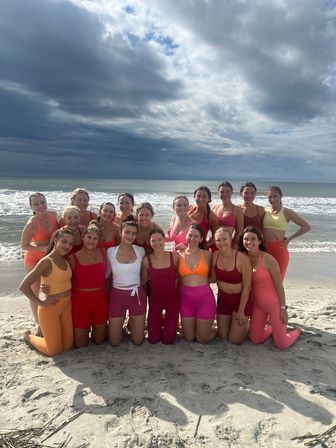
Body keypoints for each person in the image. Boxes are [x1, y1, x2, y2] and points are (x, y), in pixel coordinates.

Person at [238, 226, 301, 349]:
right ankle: (272, 327)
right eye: (246, 239)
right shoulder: (242, 258)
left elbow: (279, 286)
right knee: (255, 340)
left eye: (253, 239)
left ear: (259, 241)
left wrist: (283, 308)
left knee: (282, 345)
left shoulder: (268, 259)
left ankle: (297, 331)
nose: (249, 242)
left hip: (274, 305)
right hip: (258, 306)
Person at [19, 229, 74, 356]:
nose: (67, 246)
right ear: (55, 240)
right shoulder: (45, 262)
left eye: (70, 244)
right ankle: (28, 336)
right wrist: (41, 303)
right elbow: (24, 286)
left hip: (66, 306)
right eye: (64, 241)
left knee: (68, 346)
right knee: (53, 351)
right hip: (50, 310)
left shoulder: (65, 260)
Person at [21, 193, 59, 334]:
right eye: (36, 204)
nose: (41, 206)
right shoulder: (32, 223)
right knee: (35, 290)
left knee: (51, 287)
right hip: (34, 259)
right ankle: (37, 322)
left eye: (42, 202)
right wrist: (42, 248)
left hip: (51, 257)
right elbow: (23, 245)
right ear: (31, 207)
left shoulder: (53, 214)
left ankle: (52, 314)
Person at [68, 223, 108, 348]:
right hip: (80, 303)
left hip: (100, 301)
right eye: (89, 237)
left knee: (98, 341)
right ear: (83, 237)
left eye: (95, 238)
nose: (92, 241)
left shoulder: (104, 253)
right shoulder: (72, 258)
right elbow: (63, 279)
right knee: (81, 344)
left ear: (99, 240)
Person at [107, 221, 146, 346]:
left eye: (134, 233)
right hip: (117, 296)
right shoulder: (110, 251)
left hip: (137, 296)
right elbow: (106, 274)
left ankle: (131, 322)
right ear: (120, 232)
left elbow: (147, 272)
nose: (130, 236)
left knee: (138, 341)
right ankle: (122, 324)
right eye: (127, 232)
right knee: (114, 342)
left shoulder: (140, 251)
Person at [211, 227, 252, 344]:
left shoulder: (242, 258)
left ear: (231, 240)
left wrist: (241, 311)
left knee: (233, 340)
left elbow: (247, 287)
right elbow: (212, 279)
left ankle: (248, 324)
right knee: (223, 336)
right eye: (218, 240)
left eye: (224, 239)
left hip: (240, 301)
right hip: (223, 299)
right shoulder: (215, 256)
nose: (221, 243)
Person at [178, 224, 217, 343]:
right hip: (186, 301)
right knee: (189, 338)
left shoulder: (208, 254)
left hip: (205, 300)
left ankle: (216, 330)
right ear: (186, 236)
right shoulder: (178, 255)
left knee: (202, 339)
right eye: (190, 235)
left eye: (196, 236)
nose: (192, 238)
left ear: (201, 239)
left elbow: (213, 279)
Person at [263, 186, 311, 279]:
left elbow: (306, 227)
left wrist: (289, 239)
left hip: (279, 249)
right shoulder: (265, 211)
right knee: (266, 282)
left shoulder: (287, 212)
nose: (272, 199)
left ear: (281, 196)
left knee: (277, 283)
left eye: (275, 196)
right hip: (264, 250)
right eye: (269, 197)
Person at [142, 229, 180, 344]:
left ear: (164, 240)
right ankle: (162, 320)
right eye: (153, 240)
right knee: (153, 339)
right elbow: (144, 281)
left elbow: (180, 277)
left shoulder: (175, 256)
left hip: (172, 301)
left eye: (159, 239)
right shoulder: (146, 261)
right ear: (150, 242)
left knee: (168, 340)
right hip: (155, 301)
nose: (157, 243)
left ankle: (168, 320)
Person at [212, 181, 244, 246]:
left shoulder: (237, 210)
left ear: (232, 192)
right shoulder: (214, 208)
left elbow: (239, 233)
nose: (224, 194)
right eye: (222, 192)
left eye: (227, 191)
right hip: (213, 244)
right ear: (218, 193)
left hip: (228, 246)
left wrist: (234, 246)